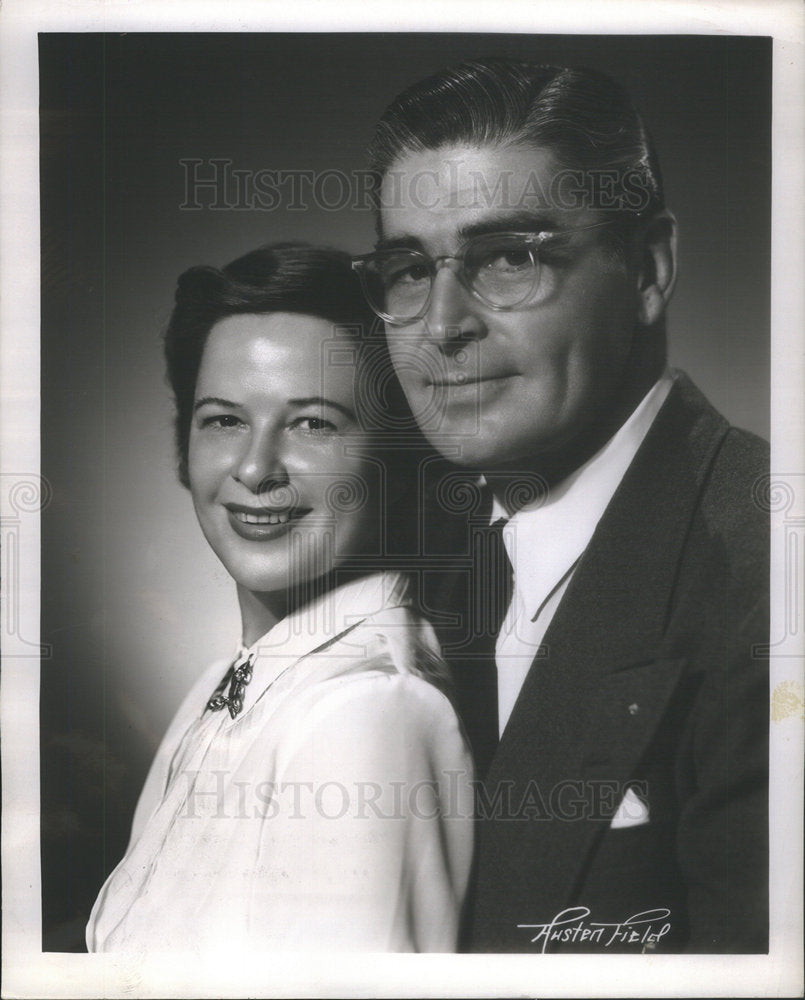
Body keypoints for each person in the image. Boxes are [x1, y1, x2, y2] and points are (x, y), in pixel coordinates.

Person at [352, 58, 769, 953]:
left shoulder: (771, 579)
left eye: (510, 257)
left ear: (647, 269)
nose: (441, 325)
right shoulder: (408, 569)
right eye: (410, 269)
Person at [85, 243, 474, 953]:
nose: (256, 468)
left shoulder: (366, 714)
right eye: (224, 420)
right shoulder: (220, 690)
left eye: (312, 423)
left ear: (395, 459)